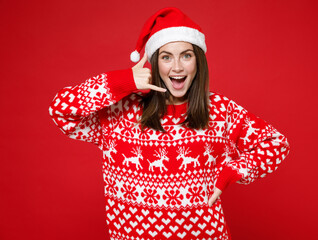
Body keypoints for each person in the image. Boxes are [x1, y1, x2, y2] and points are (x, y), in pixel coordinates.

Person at [49, 7, 290, 240]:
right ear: (154, 64)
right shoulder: (120, 111)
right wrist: (122, 80)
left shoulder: (219, 110)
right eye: (166, 57)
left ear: (198, 62)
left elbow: (275, 143)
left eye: (186, 55)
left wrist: (231, 171)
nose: (177, 67)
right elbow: (60, 110)